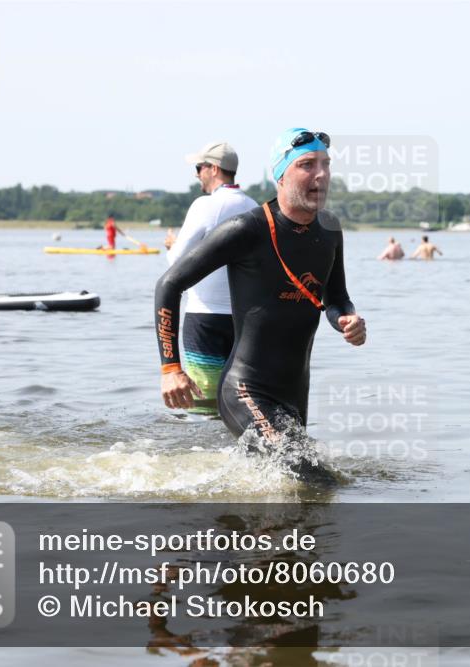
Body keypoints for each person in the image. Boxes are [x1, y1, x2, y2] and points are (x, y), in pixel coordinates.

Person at [155, 128, 366, 481]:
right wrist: (170, 369)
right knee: (314, 480)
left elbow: (335, 296)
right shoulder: (246, 229)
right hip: (245, 388)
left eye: (326, 165)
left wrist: (346, 318)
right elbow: (169, 284)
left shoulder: (329, 228)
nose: (321, 175)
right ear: (280, 176)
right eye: (307, 165)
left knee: (292, 482)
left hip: (295, 390)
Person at [164, 141, 258, 415]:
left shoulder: (206, 205)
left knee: (203, 409)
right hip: (244, 320)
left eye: (199, 167)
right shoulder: (253, 206)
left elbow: (177, 265)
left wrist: (172, 245)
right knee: (240, 406)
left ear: (214, 169)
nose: (196, 174)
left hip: (204, 318)